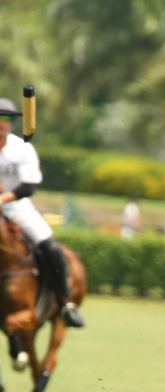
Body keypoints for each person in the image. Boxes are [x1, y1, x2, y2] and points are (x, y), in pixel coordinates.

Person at [0, 97, 84, 327]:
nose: (2, 122)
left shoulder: (21, 148)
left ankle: (65, 303)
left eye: (6, 118)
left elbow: (28, 186)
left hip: (17, 207)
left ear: (12, 123)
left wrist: (3, 198)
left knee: (51, 246)